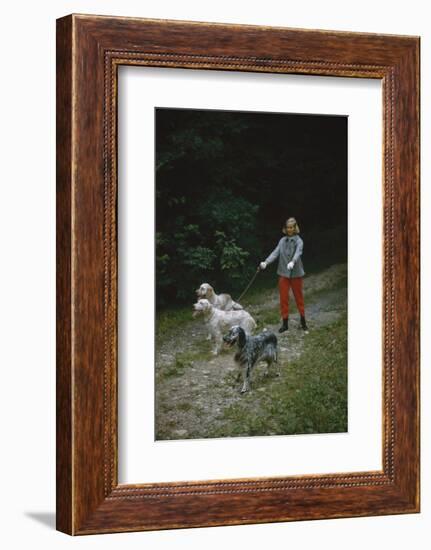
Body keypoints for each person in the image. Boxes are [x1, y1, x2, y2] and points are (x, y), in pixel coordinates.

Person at [259, 217, 308, 333]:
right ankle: (285, 323)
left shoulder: (299, 241)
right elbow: (275, 252)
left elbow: (298, 252)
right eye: (288, 227)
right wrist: (266, 262)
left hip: (296, 273)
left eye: (292, 227)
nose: (290, 229)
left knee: (299, 297)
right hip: (283, 273)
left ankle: (303, 321)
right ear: (285, 229)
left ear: (295, 228)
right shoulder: (282, 241)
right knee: (283, 298)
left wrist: (293, 261)